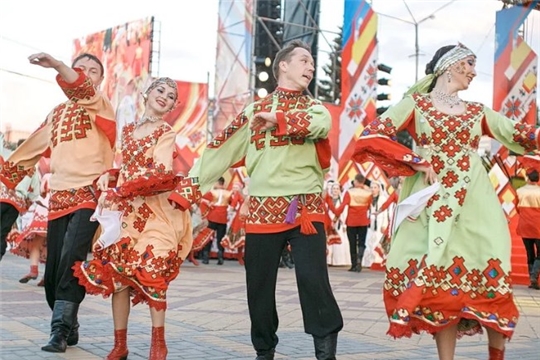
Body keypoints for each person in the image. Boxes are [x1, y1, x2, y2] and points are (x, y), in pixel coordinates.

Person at [352, 42, 534, 360]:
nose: (474, 72)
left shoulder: (478, 111)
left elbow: (520, 134)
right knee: (441, 292)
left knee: (492, 277)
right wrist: (416, 160)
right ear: (450, 66)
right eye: (469, 64)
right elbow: (372, 135)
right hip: (430, 207)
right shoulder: (415, 105)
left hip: (477, 207)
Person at [169, 39, 343, 360]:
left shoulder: (314, 107)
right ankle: (264, 350)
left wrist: (279, 119)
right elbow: (219, 150)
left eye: (312, 63)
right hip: (262, 209)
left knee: (312, 279)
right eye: (303, 60)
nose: (311, 66)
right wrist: (187, 190)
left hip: (305, 208)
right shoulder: (253, 112)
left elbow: (323, 124)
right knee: (258, 285)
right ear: (283, 66)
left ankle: (325, 353)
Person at [0, 52, 116, 353]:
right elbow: (31, 147)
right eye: (82, 69)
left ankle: (60, 331)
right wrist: (6, 174)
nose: (88, 74)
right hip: (59, 197)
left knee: (71, 262)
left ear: (100, 79)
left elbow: (81, 89)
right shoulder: (58, 113)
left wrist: (58, 66)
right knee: (53, 273)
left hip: (89, 195)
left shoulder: (100, 104)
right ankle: (70, 322)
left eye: (94, 71)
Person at [73, 77, 193, 360]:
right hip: (127, 214)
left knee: (152, 272)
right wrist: (110, 176)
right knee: (119, 277)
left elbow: (161, 174)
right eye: (160, 90)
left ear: (174, 106)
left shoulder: (166, 132)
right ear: (146, 93)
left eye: (171, 95)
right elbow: (127, 168)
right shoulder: (127, 131)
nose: (165, 96)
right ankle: (120, 344)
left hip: (157, 213)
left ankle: (158, 344)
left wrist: (120, 188)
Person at [0, 139, 40, 262]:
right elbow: (35, 194)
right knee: (3, 232)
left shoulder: (8, 158)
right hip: (16, 204)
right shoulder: (32, 168)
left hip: (1, 197)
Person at [10, 172, 51, 286]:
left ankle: (34, 270)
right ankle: (47, 275)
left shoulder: (46, 177)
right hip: (55, 214)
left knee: (36, 245)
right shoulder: (64, 178)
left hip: (41, 214)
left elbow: (41, 192)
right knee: (53, 248)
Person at [328, 173, 372, 273]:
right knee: (361, 242)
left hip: (351, 221)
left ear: (356, 181)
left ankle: (354, 264)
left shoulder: (349, 192)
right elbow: (369, 206)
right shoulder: (368, 193)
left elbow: (342, 206)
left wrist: (335, 217)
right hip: (363, 221)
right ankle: (360, 260)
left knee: (352, 243)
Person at [516, 168, 540, 290]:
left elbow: (517, 209)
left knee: (529, 253)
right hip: (538, 227)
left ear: (528, 178)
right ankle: (534, 277)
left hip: (525, 226)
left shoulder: (519, 191)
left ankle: (532, 277)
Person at [200, 177, 233, 265]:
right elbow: (232, 203)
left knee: (209, 237)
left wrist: (205, 211)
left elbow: (202, 200)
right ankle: (220, 256)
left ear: (217, 183)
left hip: (212, 217)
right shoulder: (228, 193)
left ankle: (206, 257)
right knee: (220, 238)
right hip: (223, 218)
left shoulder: (212, 192)